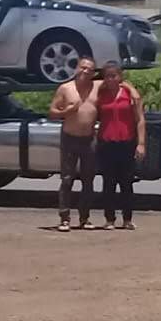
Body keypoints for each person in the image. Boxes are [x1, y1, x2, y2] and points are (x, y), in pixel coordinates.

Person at [47, 57, 99, 232]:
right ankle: (64, 218)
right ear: (76, 68)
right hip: (70, 137)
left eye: (90, 69)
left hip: (89, 139)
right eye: (83, 68)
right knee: (67, 179)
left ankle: (84, 218)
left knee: (88, 180)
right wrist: (67, 111)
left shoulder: (97, 88)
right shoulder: (66, 88)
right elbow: (52, 113)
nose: (86, 71)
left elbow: (119, 80)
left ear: (93, 73)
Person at [95, 61, 147, 230]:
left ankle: (127, 219)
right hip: (107, 143)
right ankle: (109, 219)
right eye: (107, 76)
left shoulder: (130, 96)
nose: (110, 79)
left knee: (126, 183)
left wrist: (141, 143)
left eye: (114, 76)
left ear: (120, 76)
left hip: (126, 143)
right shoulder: (100, 94)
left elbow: (140, 120)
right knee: (108, 183)